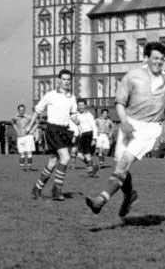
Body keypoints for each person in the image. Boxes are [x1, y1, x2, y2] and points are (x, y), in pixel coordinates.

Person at [85, 41, 165, 217]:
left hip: (150, 128)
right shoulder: (132, 76)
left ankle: (100, 200)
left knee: (124, 162)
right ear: (147, 58)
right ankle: (129, 195)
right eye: (155, 58)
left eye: (162, 59)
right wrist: (124, 122)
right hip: (129, 124)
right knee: (120, 166)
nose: (158, 62)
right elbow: (120, 103)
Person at [26, 69, 78, 201]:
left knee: (53, 161)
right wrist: (30, 126)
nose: (66, 82)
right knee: (65, 157)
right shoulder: (51, 95)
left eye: (68, 80)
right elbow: (38, 110)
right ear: (59, 80)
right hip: (52, 130)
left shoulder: (72, 97)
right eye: (64, 79)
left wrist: (77, 120)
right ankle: (56, 189)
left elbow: (73, 114)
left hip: (64, 131)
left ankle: (37, 188)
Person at [74, 99, 99, 177]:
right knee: (79, 156)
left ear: (85, 106)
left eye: (82, 105)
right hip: (81, 136)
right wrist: (75, 135)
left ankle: (90, 173)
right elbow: (77, 127)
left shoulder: (89, 115)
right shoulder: (76, 114)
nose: (81, 107)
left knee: (87, 155)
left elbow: (94, 127)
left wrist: (94, 139)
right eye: (79, 105)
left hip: (88, 134)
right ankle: (93, 165)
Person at [11, 104, 38, 171]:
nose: (22, 111)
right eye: (20, 110)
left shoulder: (28, 117)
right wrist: (16, 129)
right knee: (21, 153)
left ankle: (29, 167)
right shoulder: (15, 117)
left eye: (23, 110)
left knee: (29, 152)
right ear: (18, 110)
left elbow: (37, 122)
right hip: (20, 137)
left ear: (24, 110)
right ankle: (22, 168)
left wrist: (32, 130)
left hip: (28, 136)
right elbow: (12, 122)